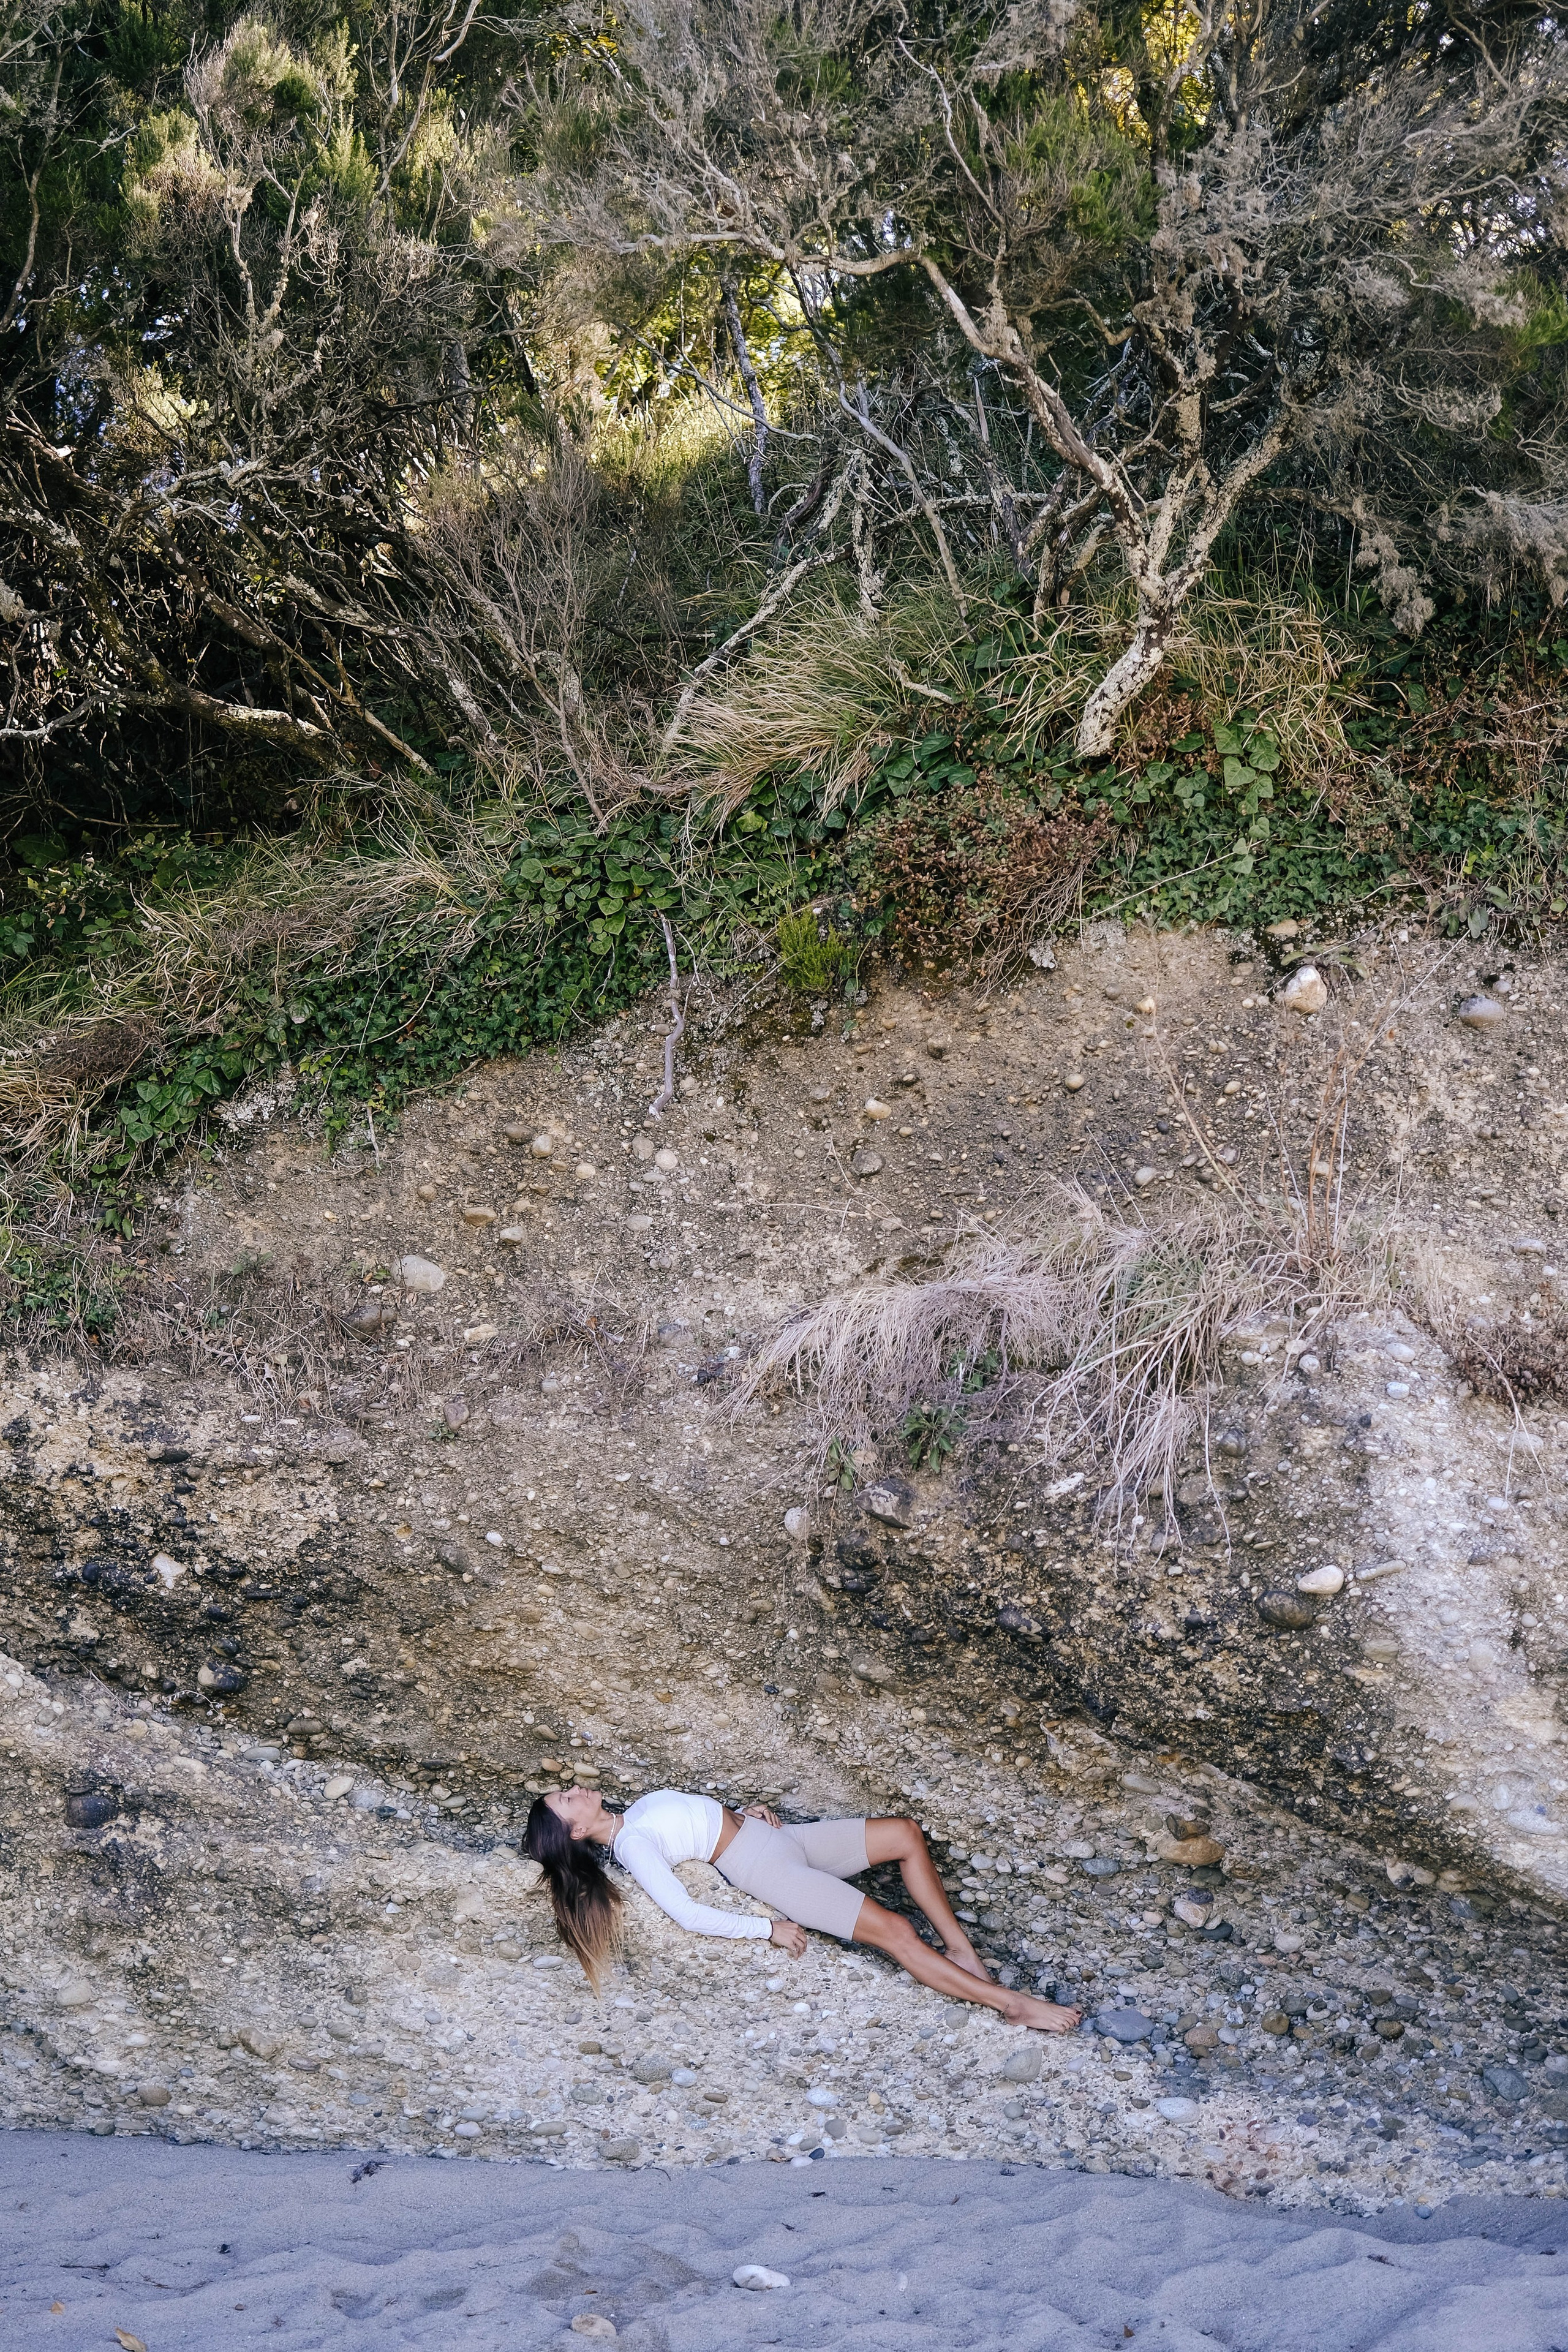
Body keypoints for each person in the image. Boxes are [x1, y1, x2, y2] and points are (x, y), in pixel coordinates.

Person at [522, 1784, 1082, 2032]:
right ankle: (1012, 2005)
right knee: (896, 1932)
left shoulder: (639, 1811)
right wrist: (766, 1928)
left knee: (905, 1834)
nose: (576, 1788)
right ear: (573, 1829)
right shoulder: (633, 1846)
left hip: (786, 1839)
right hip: (772, 1871)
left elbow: (696, 1824)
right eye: (567, 1799)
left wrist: (742, 1812)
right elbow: (687, 1912)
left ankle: (960, 1949)